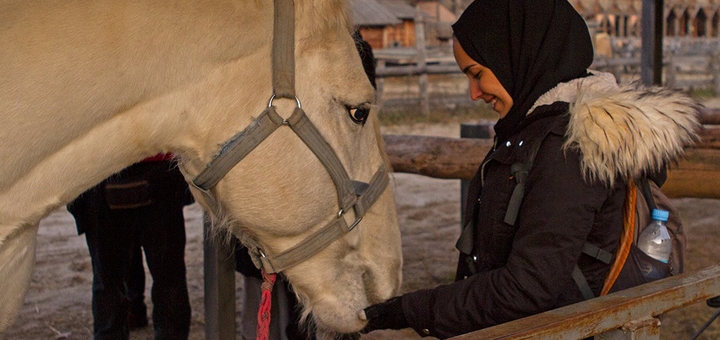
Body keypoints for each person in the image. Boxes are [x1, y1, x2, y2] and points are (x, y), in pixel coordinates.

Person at [361, 0, 700, 338]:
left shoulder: (572, 148)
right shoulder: (533, 128)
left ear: (515, 56)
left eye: (477, 73)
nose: (474, 93)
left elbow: (527, 288)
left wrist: (408, 310)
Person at [67, 155, 193, 340]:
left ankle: (131, 318)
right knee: (167, 278)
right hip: (137, 168)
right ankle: (139, 318)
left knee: (109, 282)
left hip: (107, 168)